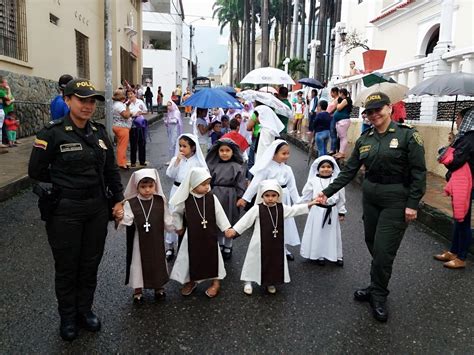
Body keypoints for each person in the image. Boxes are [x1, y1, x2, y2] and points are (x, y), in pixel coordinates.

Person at [316, 92, 426, 322]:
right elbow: (349, 171)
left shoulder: (408, 136)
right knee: (372, 243)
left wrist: (412, 204)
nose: (374, 115)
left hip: (396, 199)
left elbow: (418, 172)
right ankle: (376, 282)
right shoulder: (365, 139)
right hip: (371, 197)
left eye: (378, 109)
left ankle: (378, 294)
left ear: (389, 108)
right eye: (369, 112)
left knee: (384, 250)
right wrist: (326, 192)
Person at [28, 79, 124, 341]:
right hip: (65, 211)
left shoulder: (99, 132)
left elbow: (111, 170)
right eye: (82, 100)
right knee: (68, 266)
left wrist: (118, 199)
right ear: (67, 100)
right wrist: (62, 184)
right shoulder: (52, 132)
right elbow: (35, 172)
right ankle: (68, 317)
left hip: (96, 209)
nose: (88, 105)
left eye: (92, 101)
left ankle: (85, 311)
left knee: (90, 262)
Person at [226, 179, 317, 295]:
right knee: (254, 259)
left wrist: (310, 204)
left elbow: (295, 210)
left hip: (275, 242)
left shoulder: (281, 208)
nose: (270, 198)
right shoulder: (257, 208)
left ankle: (270, 281)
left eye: (273, 195)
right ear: (262, 195)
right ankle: (248, 281)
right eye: (267, 195)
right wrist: (234, 230)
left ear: (278, 195)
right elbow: (246, 221)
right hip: (259, 241)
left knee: (273, 260)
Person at [169, 167, 231, 298]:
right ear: (193, 183)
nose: (207, 187)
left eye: (208, 184)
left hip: (209, 235)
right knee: (189, 258)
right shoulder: (186, 199)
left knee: (214, 258)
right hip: (192, 235)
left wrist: (226, 228)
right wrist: (179, 226)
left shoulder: (211, 198)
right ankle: (190, 281)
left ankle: (216, 282)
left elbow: (219, 214)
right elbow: (176, 213)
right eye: (203, 184)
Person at [237, 140, 301, 260]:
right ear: (274, 154)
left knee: (283, 223)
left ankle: (284, 248)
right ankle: (266, 247)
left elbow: (292, 187)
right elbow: (255, 184)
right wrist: (245, 198)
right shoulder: (266, 169)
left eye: (288, 153)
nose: (286, 156)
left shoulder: (288, 169)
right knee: (269, 223)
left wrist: (299, 202)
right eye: (283, 153)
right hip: (269, 198)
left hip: (283, 198)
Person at [118, 169, 174, 302]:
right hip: (139, 240)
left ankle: (158, 287)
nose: (147, 190)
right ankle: (138, 289)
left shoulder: (160, 201)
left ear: (156, 185)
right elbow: (127, 219)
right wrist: (121, 217)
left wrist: (176, 227)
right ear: (136, 186)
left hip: (156, 239)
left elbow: (167, 219)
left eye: (150, 186)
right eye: (143, 187)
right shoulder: (131, 203)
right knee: (138, 263)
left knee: (158, 261)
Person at [434, 107, 474, 269]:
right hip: (461, 183)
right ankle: (454, 251)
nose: (456, 121)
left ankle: (462, 257)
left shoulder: (470, 138)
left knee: (463, 220)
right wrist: (453, 143)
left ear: (466, 119)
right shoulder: (464, 137)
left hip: (466, 184)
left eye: (458, 118)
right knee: (459, 218)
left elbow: (454, 160)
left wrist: (446, 149)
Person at [165, 134, 207, 261]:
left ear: (193, 147)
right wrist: (177, 161)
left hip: (190, 193)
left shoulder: (198, 162)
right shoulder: (176, 159)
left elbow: (204, 177)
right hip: (176, 191)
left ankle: (188, 246)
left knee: (189, 218)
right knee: (173, 217)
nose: (182, 149)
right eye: (180, 146)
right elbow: (170, 174)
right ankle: (170, 245)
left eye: (185, 146)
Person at [300, 155, 346, 265]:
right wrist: (303, 205)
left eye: (329, 167)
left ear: (333, 169)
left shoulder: (337, 182)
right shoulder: (313, 181)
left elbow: (341, 198)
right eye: (323, 167)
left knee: (332, 234)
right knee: (318, 232)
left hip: (332, 211)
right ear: (318, 168)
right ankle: (318, 254)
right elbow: (305, 195)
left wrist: (342, 211)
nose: (326, 169)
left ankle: (336, 255)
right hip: (317, 211)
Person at [206, 139, 247, 260]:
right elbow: (209, 182)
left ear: (233, 152)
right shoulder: (214, 165)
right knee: (217, 221)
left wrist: (240, 197)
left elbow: (240, 183)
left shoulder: (237, 167)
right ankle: (220, 243)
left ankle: (228, 245)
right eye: (222, 150)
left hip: (231, 196)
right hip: (216, 195)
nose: (224, 153)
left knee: (229, 221)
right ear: (217, 152)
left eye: (227, 150)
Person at [112, 89, 132, 169]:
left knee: (121, 145)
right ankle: (121, 163)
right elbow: (126, 115)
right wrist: (127, 106)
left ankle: (122, 162)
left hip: (119, 126)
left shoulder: (116, 104)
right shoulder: (119, 105)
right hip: (122, 127)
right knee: (122, 146)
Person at [127, 90, 148, 167]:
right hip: (132, 125)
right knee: (133, 144)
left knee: (142, 143)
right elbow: (126, 114)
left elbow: (146, 111)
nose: (130, 96)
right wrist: (132, 114)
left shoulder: (140, 102)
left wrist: (140, 113)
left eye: (131, 94)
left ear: (134, 94)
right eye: (128, 94)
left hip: (141, 124)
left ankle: (142, 161)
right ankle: (133, 161)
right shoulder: (127, 104)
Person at [333, 88, 353, 159]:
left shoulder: (346, 100)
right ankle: (340, 152)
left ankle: (342, 153)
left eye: (339, 93)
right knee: (342, 138)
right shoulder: (345, 100)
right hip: (341, 121)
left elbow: (338, 108)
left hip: (343, 121)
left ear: (341, 93)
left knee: (343, 138)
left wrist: (338, 103)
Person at [164, 100, 183, 165]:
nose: (168, 107)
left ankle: (175, 159)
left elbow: (175, 121)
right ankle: (171, 159)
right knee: (171, 144)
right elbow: (168, 120)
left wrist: (168, 121)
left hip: (175, 130)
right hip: (170, 130)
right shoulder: (169, 112)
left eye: (169, 105)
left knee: (174, 144)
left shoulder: (176, 112)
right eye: (167, 105)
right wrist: (166, 121)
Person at [0, 76, 15, 145]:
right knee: (4, 127)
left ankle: (11, 140)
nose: (7, 84)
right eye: (5, 82)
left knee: (7, 127)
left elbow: (11, 98)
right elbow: (8, 100)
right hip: (5, 111)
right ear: (1, 83)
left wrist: (11, 99)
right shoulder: (2, 91)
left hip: (7, 111)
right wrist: (9, 90)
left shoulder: (3, 91)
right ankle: (6, 141)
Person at [327, 87, 339, 155]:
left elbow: (335, 108)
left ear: (334, 92)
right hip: (331, 117)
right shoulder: (334, 99)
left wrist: (329, 113)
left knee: (333, 134)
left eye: (331, 92)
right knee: (332, 134)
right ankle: (333, 148)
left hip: (333, 118)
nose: (331, 94)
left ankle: (333, 149)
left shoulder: (337, 100)